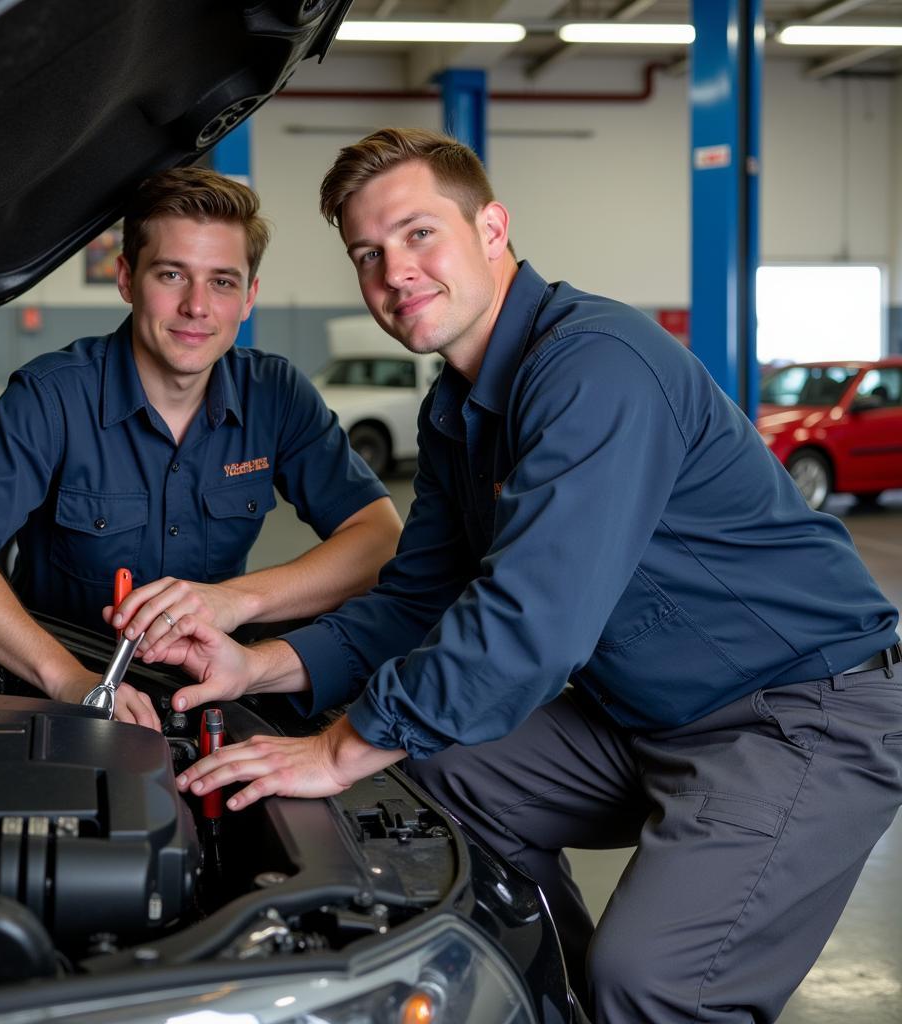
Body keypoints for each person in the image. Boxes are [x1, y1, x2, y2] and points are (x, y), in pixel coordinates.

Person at [125, 130, 901, 1022]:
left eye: (420, 234)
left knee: (652, 980)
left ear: (492, 228)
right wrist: (254, 664)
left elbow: (532, 623)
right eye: (368, 254)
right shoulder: (457, 409)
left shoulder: (593, 367)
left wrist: (338, 749)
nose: (395, 273)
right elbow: (416, 599)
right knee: (442, 777)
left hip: (798, 711)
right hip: (646, 712)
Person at [0, 167, 401, 730]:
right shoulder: (52, 395)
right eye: (171, 274)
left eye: (223, 281)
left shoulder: (277, 396)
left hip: (213, 687)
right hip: (63, 692)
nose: (197, 306)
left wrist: (235, 601)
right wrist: (66, 677)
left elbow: (379, 538)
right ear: (126, 278)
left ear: (249, 297)